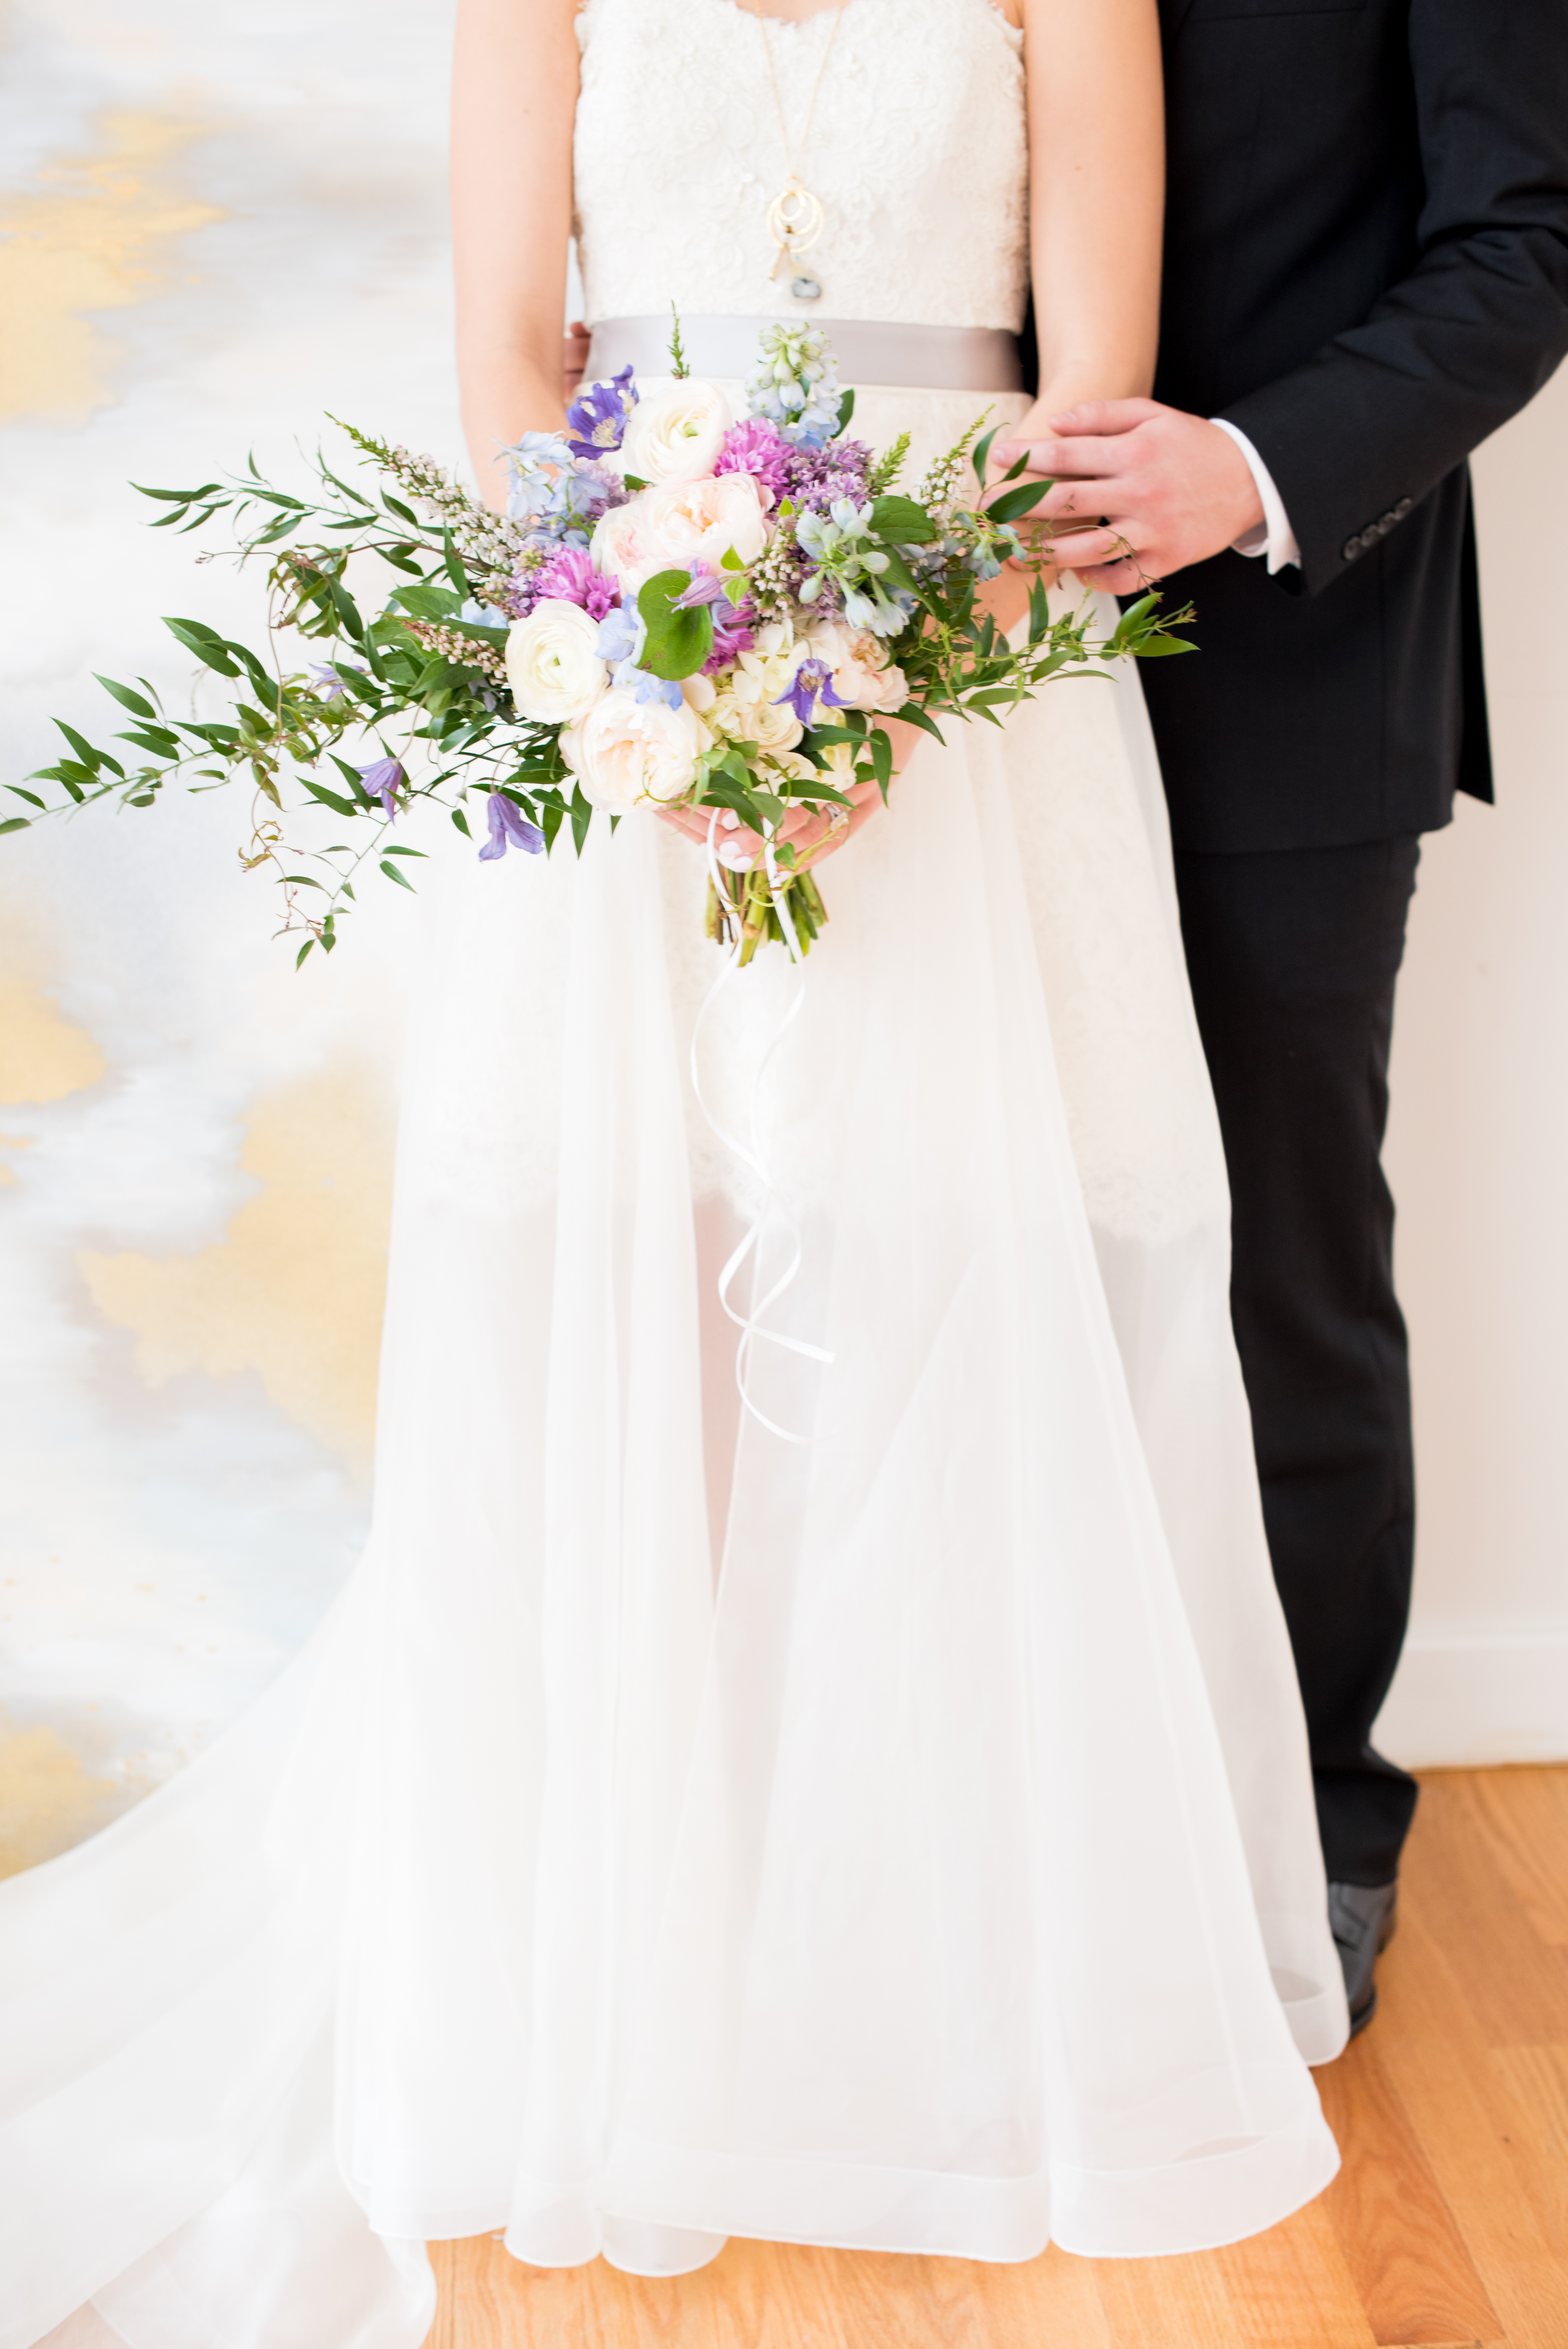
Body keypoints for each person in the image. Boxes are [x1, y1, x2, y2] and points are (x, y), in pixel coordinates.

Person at [0, 7, 1350, 2343]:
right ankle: (650, 1937)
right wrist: (663, 682)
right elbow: (515, 361)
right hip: (634, 647)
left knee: (977, 1253)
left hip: (973, 669)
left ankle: (927, 1960)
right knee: (643, 1254)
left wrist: (893, 692)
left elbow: (1088, 424)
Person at [993, 0, 1568, 2034]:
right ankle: (982, 1818)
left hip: (1285, 680)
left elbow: (1529, 232)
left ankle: (1307, 1827)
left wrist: (1244, 472)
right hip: (914, 684)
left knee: (1276, 1266)